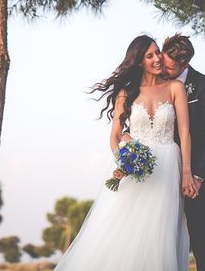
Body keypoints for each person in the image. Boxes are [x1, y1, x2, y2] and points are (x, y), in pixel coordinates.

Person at [54, 35, 192, 270]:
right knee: (120, 227)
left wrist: (187, 173)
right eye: (150, 55)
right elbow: (115, 135)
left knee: (157, 231)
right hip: (134, 168)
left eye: (158, 52)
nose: (157, 58)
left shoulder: (175, 88)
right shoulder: (125, 93)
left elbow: (185, 133)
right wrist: (124, 162)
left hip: (168, 167)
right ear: (139, 61)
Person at [161, 34, 205, 271]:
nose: (163, 69)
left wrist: (198, 176)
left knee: (201, 240)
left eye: (168, 66)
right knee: (163, 238)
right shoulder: (158, 83)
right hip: (164, 174)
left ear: (184, 64)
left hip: (196, 177)